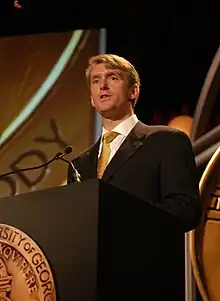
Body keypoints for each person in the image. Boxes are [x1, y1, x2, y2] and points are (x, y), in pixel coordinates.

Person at [67, 54, 201, 232]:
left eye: (113, 77)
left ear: (134, 91)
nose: (103, 86)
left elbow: (186, 208)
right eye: (96, 81)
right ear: (92, 98)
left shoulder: (167, 141)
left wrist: (128, 219)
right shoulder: (78, 165)